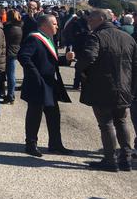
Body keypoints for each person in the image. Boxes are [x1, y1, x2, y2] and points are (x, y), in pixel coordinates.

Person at [76, 9, 137, 172]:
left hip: (103, 87)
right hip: (124, 88)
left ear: (102, 19)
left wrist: (81, 70)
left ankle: (110, 160)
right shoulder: (127, 38)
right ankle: (126, 159)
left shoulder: (96, 37)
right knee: (122, 121)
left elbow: (88, 57)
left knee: (106, 124)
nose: (89, 22)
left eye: (91, 19)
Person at [18, 14, 73, 157]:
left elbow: (49, 60)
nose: (57, 26)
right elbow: (23, 56)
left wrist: (65, 59)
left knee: (54, 115)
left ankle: (55, 144)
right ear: (44, 25)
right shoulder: (34, 38)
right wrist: (35, 75)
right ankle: (31, 144)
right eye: (54, 24)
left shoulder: (49, 39)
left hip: (50, 83)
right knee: (35, 115)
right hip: (38, 84)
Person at [1, 10, 23, 104]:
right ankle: (10, 94)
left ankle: (10, 95)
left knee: (9, 75)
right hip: (15, 51)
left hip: (8, 52)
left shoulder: (8, 28)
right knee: (11, 75)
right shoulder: (19, 27)